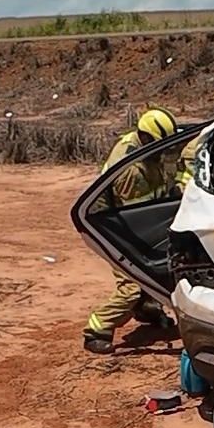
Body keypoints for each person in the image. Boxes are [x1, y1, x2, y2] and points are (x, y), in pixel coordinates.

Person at [83, 107, 183, 354]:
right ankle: (96, 329)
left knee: (153, 271)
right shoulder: (131, 170)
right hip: (114, 229)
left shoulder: (143, 150)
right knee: (133, 283)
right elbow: (139, 215)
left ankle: (147, 309)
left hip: (125, 219)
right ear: (146, 138)